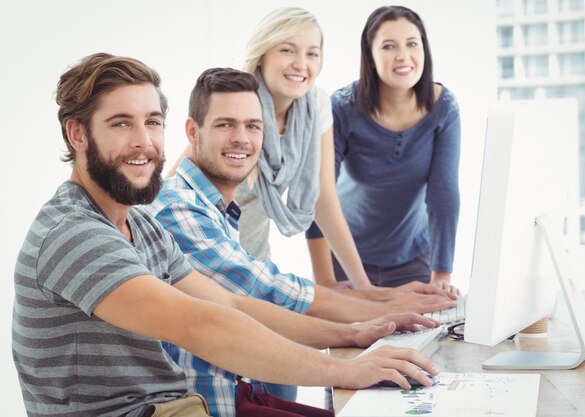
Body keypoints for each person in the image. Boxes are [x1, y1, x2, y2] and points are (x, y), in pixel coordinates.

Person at [11, 52, 440, 417]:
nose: (144, 142)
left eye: (153, 122)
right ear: (77, 133)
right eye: (122, 124)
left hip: (173, 406)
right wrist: (345, 370)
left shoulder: (139, 225)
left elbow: (232, 303)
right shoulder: (74, 234)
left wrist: (354, 334)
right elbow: (200, 324)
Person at [148, 67, 453, 417]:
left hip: (233, 391)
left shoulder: (213, 209)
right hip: (210, 404)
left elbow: (255, 297)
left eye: (253, 126)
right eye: (225, 124)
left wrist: (365, 321)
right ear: (192, 131)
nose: (242, 138)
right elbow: (266, 291)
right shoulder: (177, 208)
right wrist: (370, 315)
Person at [166, 7, 451, 300]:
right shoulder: (238, 103)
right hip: (203, 261)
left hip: (254, 261)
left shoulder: (314, 104)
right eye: (288, 50)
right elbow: (173, 188)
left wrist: (363, 287)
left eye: (312, 53)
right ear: (263, 55)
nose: (301, 64)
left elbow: (323, 198)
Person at [306, 6, 461, 292]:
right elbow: (318, 193)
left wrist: (442, 274)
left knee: (418, 335)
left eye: (412, 44)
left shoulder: (443, 108)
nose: (403, 56)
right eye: (389, 46)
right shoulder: (341, 108)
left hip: (413, 257)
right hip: (346, 255)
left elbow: (444, 194)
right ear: (371, 55)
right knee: (352, 337)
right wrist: (325, 281)